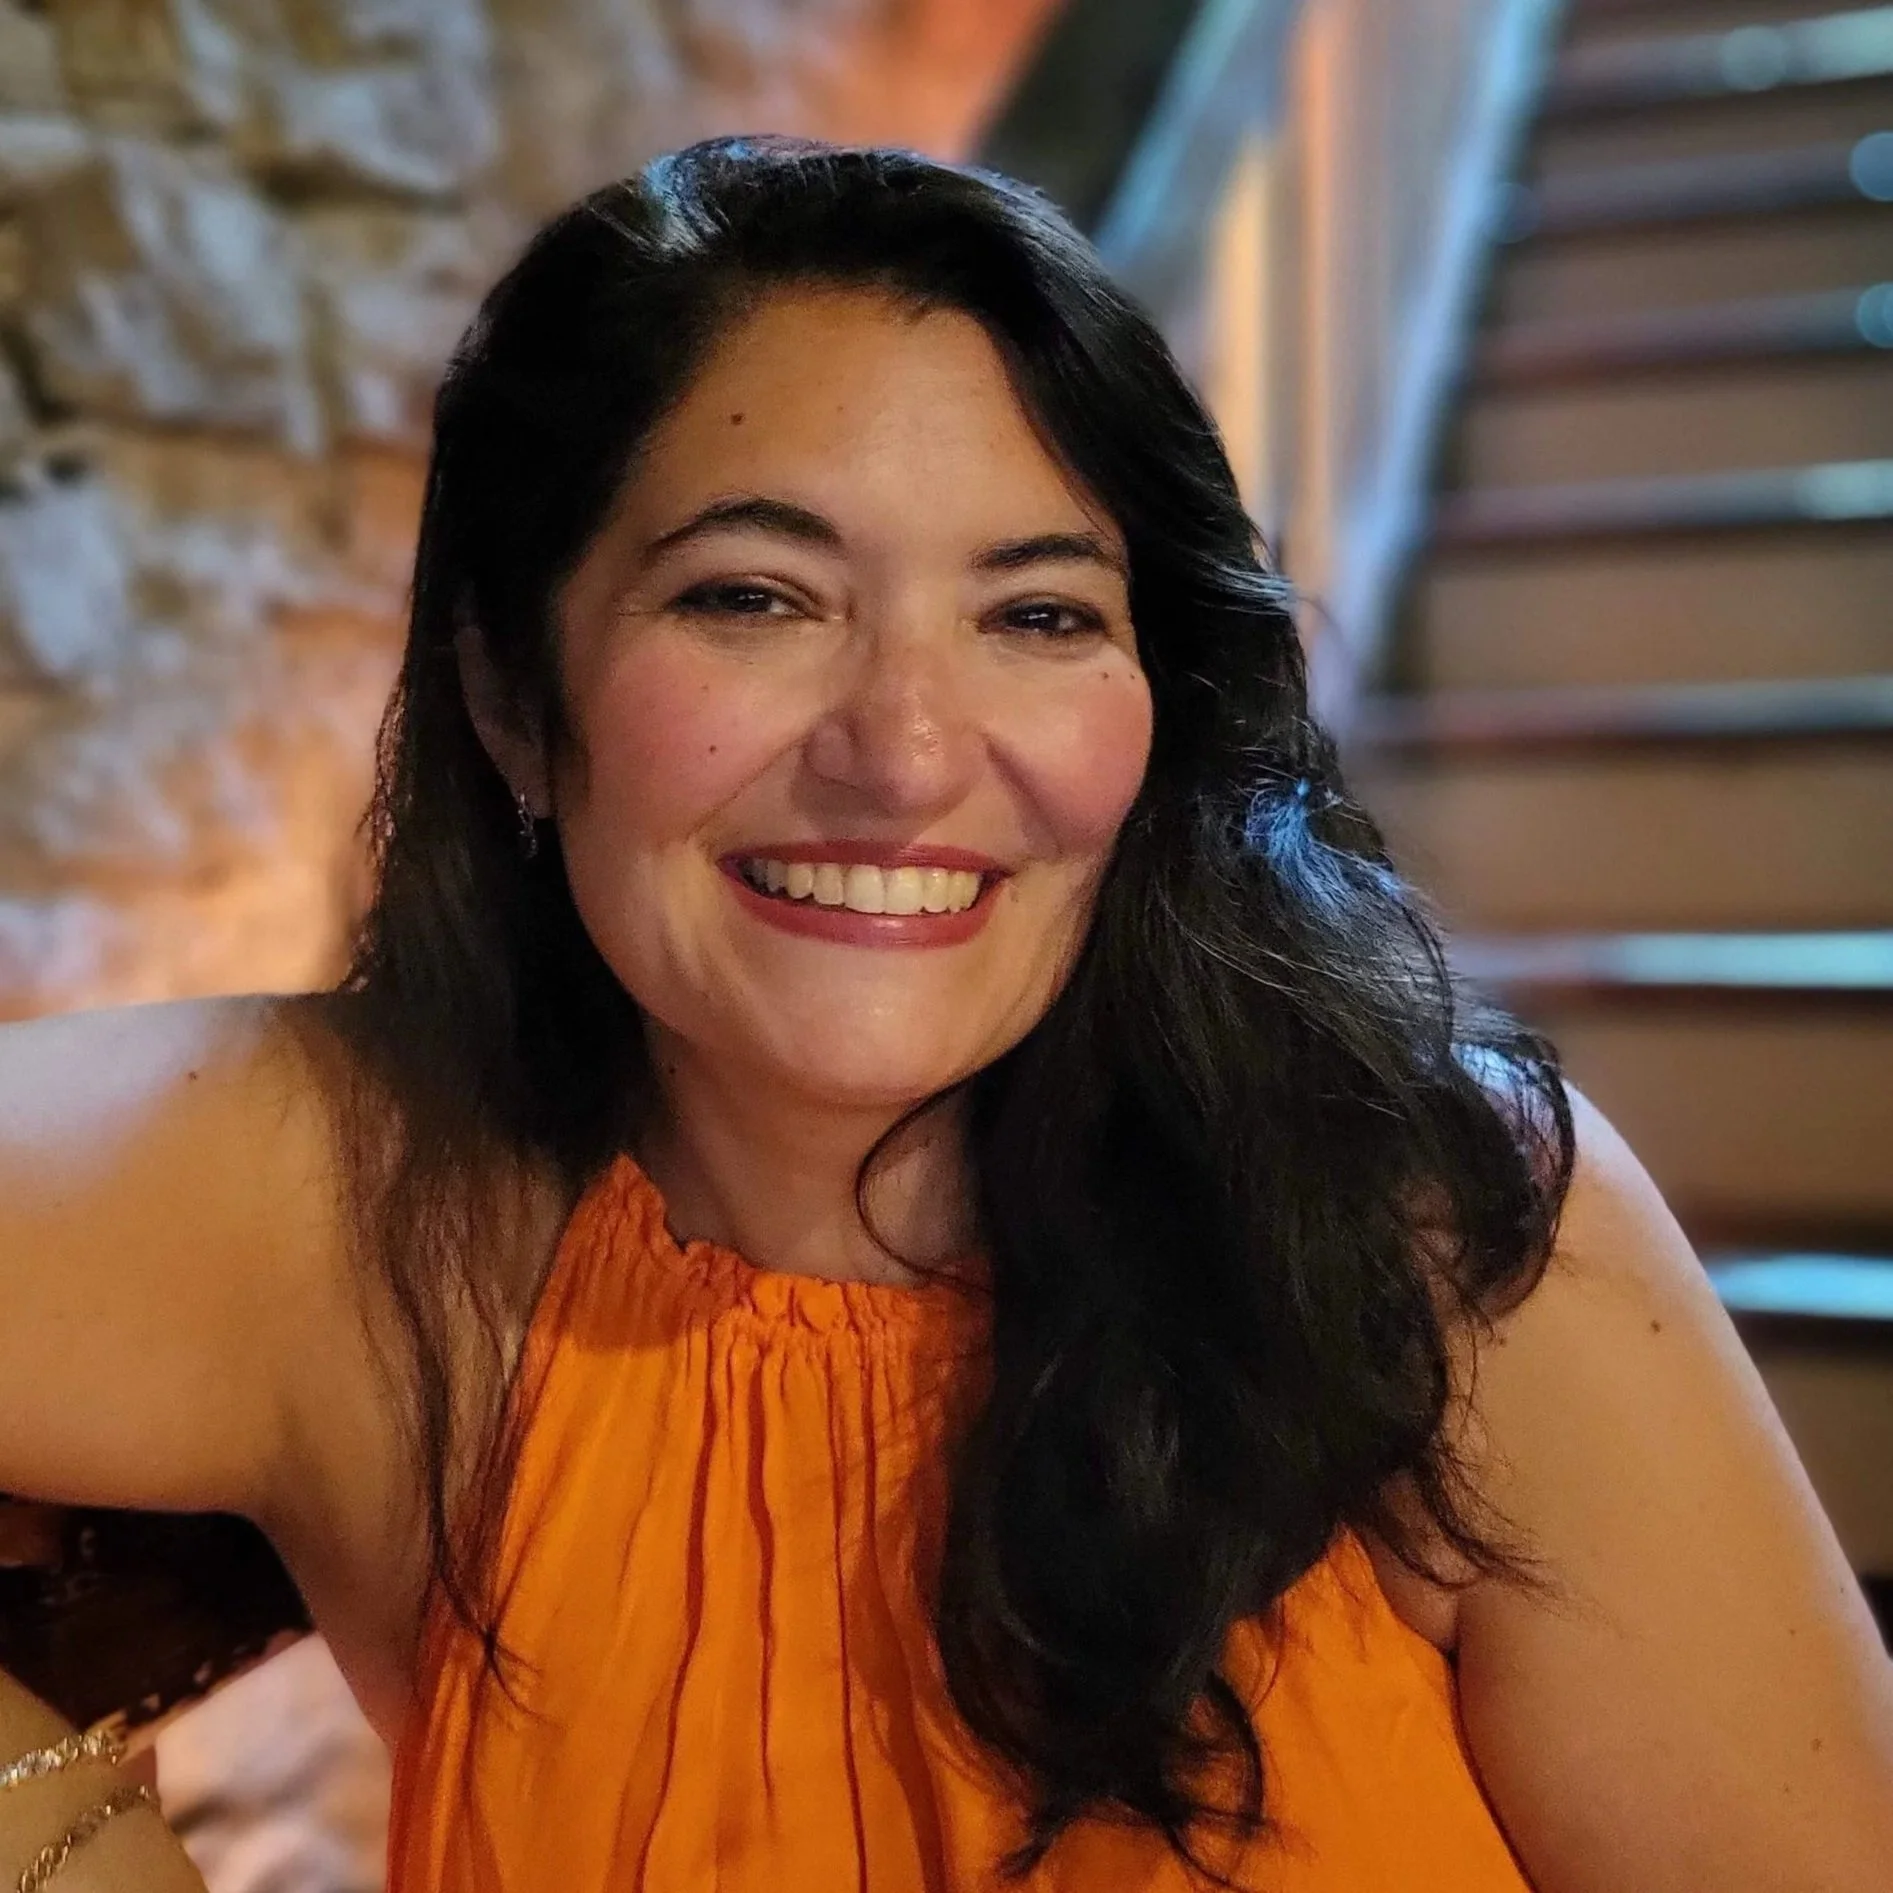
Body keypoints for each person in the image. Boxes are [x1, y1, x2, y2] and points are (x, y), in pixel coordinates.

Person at [1, 133, 1889, 1893]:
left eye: (1041, 615)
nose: (903, 757)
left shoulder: (1446, 1252)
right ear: (514, 699)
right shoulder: (352, 1216)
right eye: (754, 598)